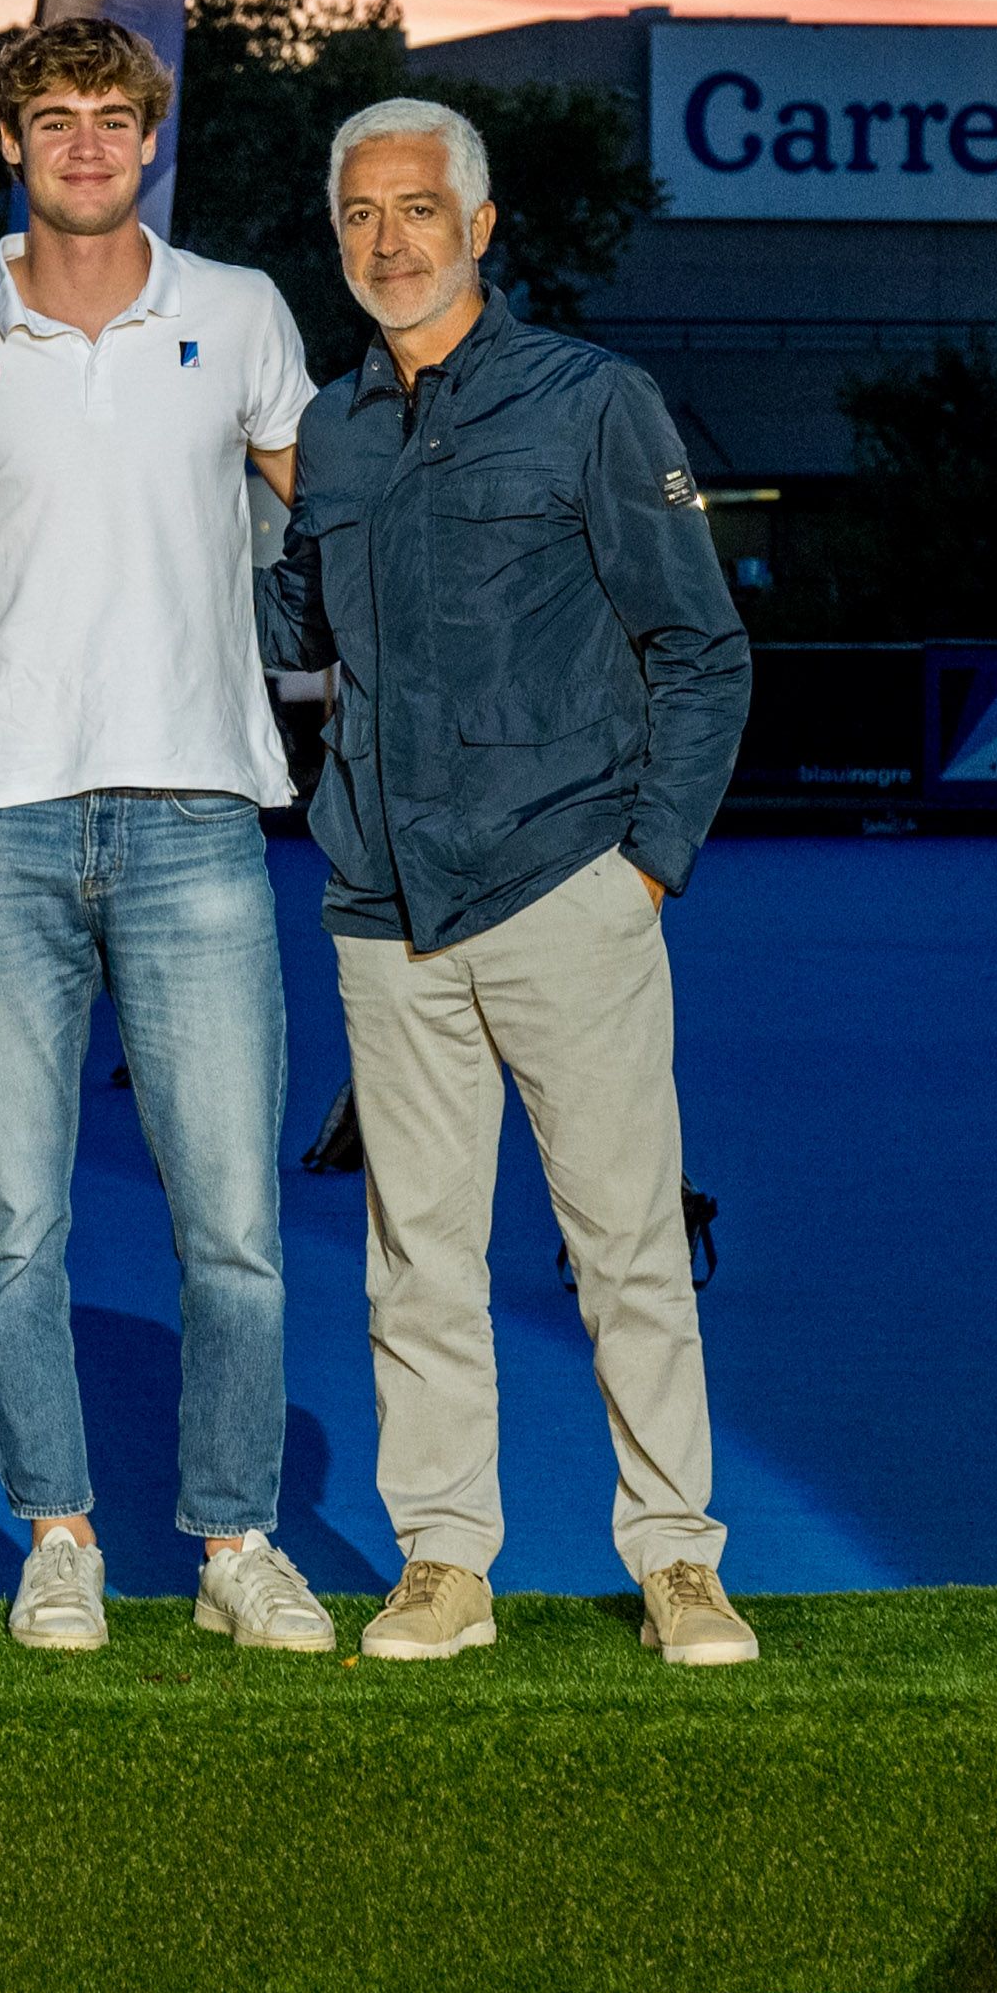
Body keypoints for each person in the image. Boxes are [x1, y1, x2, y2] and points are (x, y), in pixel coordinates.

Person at [263, 98, 758, 1667]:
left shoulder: (595, 401)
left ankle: (677, 1556)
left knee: (623, 1241)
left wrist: (647, 866)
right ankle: (442, 1563)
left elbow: (701, 646)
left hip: (568, 885)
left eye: (417, 209)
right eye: (358, 214)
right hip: (382, 910)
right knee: (418, 1253)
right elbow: (296, 632)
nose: (387, 239)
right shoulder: (328, 430)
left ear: (481, 225)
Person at [0, 15, 335, 1657]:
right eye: (50, 117)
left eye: (111, 119)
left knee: (231, 1223)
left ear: (149, 141)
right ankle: (55, 1534)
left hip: (197, 816)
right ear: (6, 139)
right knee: (12, 1224)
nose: (82, 142)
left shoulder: (237, 315)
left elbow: (323, 513)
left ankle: (231, 1540)